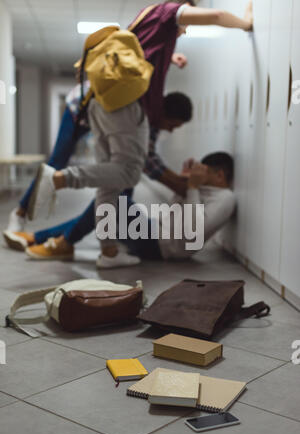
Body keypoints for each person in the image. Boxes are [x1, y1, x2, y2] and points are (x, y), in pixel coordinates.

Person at [5, 1, 252, 267]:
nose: (186, 30)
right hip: (122, 106)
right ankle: (60, 179)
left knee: (111, 184)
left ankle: (108, 253)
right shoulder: (169, 13)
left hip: (102, 102)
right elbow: (216, 15)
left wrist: (168, 58)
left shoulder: (147, 19)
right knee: (128, 173)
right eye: (188, 22)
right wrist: (245, 23)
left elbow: (136, 54)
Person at [10, 152, 236, 264]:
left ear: (220, 174)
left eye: (204, 171)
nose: (200, 175)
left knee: (112, 200)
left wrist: (193, 188)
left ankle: (57, 241)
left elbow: (192, 234)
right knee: (105, 202)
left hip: (161, 248)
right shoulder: (205, 190)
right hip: (155, 232)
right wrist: (186, 185)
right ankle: (47, 239)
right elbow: (176, 212)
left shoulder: (226, 199)